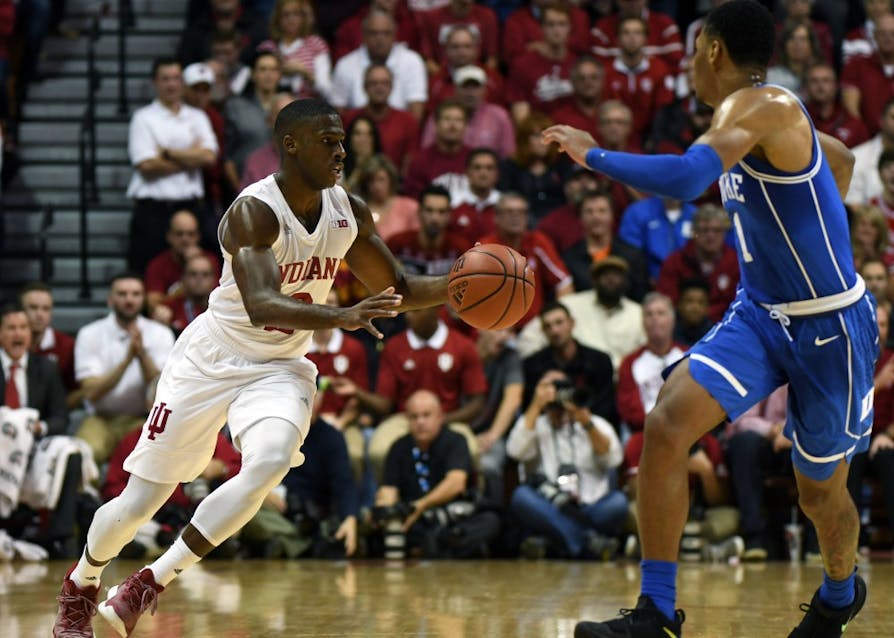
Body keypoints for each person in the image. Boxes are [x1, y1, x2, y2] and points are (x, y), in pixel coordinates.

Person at [53, 98, 452, 638]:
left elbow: (398, 290)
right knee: (140, 501)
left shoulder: (347, 211)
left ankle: (150, 582)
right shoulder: (253, 211)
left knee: (267, 464)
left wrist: (461, 287)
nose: (342, 151)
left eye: (342, 141)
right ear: (291, 145)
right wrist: (341, 313)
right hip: (211, 359)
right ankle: (81, 584)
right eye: (329, 141)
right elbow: (263, 303)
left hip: (280, 366)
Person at [543, 2, 876, 636]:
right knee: (667, 423)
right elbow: (839, 162)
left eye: (695, 50)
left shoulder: (760, 107)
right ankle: (656, 610)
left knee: (817, 493)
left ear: (715, 51)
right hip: (762, 312)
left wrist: (594, 156)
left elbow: (690, 176)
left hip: (829, 327)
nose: (691, 63)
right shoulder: (766, 116)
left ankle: (839, 592)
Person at [507, 369, 626, 560]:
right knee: (521, 498)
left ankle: (558, 542)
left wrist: (585, 422)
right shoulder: (533, 423)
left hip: (591, 506)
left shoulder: (594, 423)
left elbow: (614, 460)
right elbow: (515, 452)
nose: (555, 393)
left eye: (560, 387)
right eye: (547, 387)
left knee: (618, 503)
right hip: (550, 505)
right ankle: (588, 542)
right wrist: (536, 406)